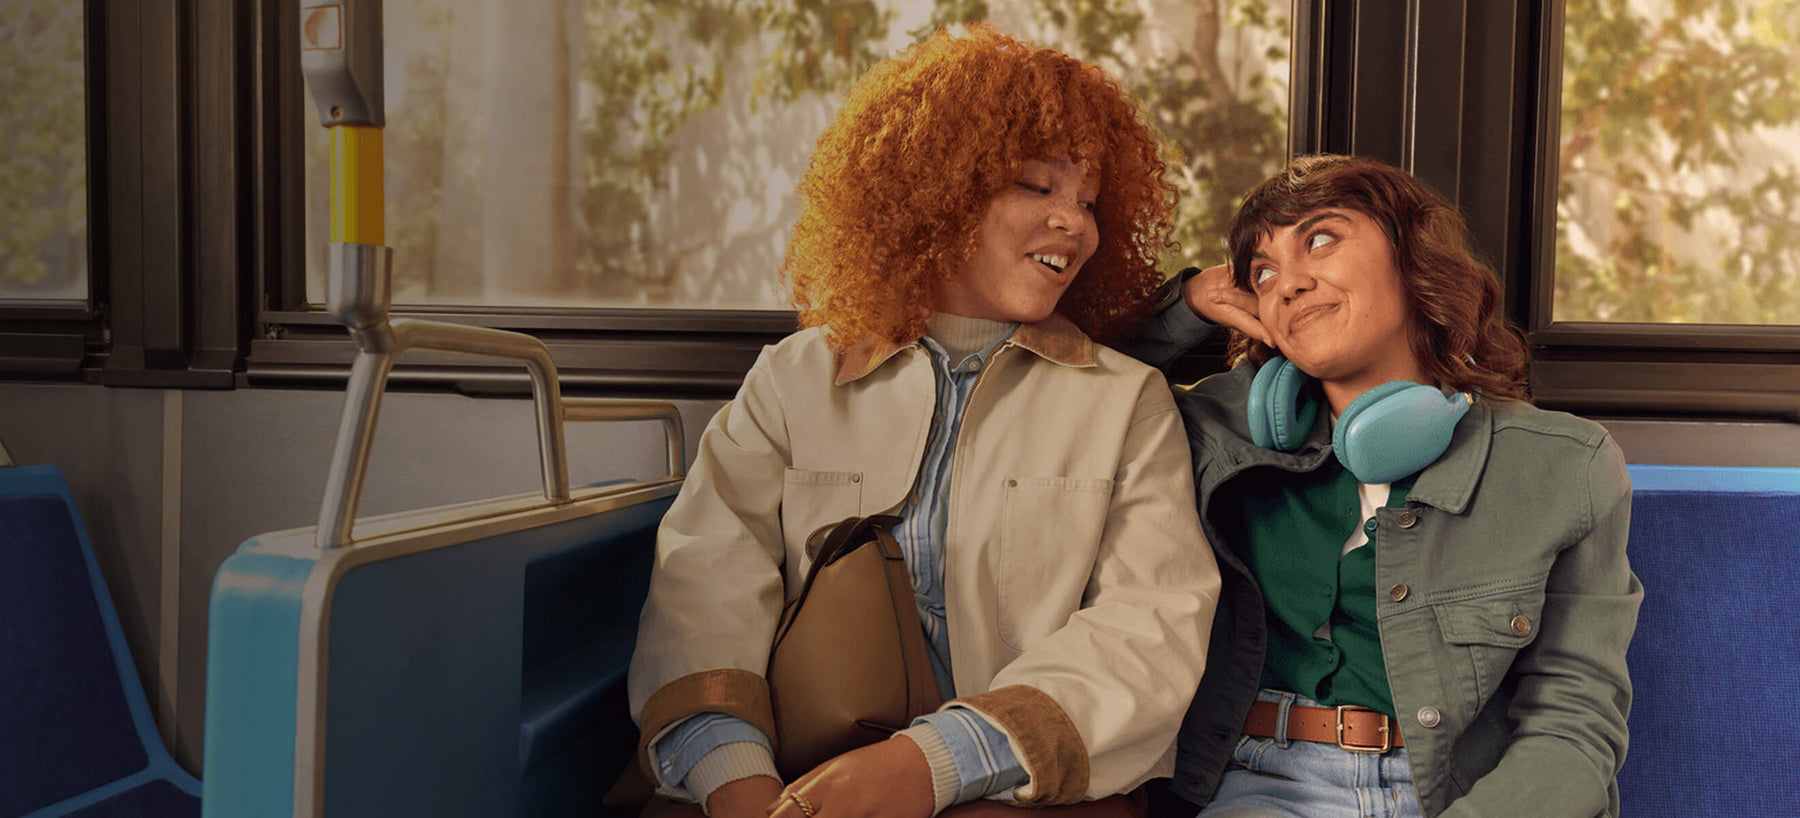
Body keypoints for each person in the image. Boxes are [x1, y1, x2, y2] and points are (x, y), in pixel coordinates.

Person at [627, 24, 1221, 818]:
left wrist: (932, 765)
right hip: (783, 785)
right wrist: (740, 785)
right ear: (939, 191)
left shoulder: (1127, 402)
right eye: (1036, 187)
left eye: (1087, 201)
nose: (1075, 225)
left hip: (1023, 797)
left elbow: (1148, 631)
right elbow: (704, 587)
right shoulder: (792, 380)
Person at [1131, 154, 1641, 817]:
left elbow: (1575, 726)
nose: (1289, 283)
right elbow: (1066, 385)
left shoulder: (1565, 464)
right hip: (1262, 787)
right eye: (1262, 272)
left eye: (1320, 239)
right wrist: (1188, 305)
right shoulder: (1210, 429)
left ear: (1411, 254)